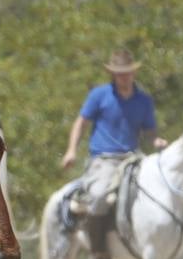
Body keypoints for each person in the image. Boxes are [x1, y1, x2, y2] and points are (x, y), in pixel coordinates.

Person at [60, 49, 166, 220]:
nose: (124, 77)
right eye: (119, 74)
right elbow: (81, 123)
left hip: (133, 158)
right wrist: (71, 150)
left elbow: (149, 131)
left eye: (127, 73)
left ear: (134, 73)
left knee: (155, 189)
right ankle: (96, 242)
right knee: (100, 194)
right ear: (113, 74)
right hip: (104, 159)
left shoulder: (144, 100)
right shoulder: (99, 95)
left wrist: (156, 141)